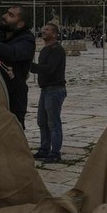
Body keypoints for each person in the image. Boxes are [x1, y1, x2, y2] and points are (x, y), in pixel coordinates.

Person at [29, 23, 67, 163]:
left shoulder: (57, 50)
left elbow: (49, 69)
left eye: (48, 30)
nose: (43, 31)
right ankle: (44, 149)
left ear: (55, 34)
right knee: (42, 121)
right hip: (45, 89)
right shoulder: (45, 49)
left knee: (53, 122)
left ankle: (55, 152)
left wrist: (29, 65)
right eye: (43, 29)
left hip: (55, 89)